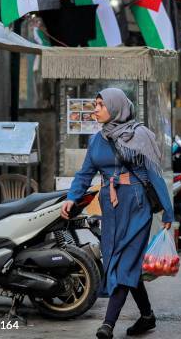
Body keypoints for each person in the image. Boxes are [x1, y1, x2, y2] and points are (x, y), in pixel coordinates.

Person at [60, 88, 174, 339]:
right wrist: (71, 198)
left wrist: (168, 211)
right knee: (120, 262)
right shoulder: (97, 139)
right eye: (95, 105)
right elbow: (85, 173)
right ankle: (147, 316)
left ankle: (108, 324)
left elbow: (155, 175)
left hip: (136, 204)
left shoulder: (139, 135)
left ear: (116, 106)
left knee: (125, 262)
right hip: (110, 206)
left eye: (101, 105)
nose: (96, 109)